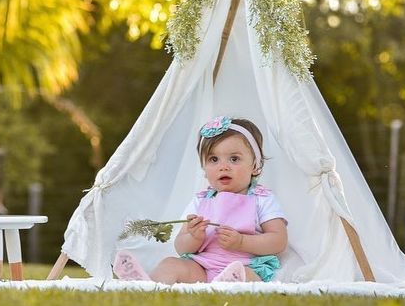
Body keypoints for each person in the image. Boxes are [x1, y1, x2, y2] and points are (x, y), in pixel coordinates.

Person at [113, 116, 288, 283]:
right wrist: (194, 237)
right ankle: (145, 285)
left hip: (244, 264)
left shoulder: (262, 198)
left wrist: (242, 242)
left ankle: (228, 283)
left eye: (234, 159)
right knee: (171, 264)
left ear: (255, 166)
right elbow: (181, 246)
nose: (223, 166)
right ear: (204, 169)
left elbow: (278, 240)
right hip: (202, 267)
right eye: (213, 159)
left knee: (246, 275)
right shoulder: (201, 201)